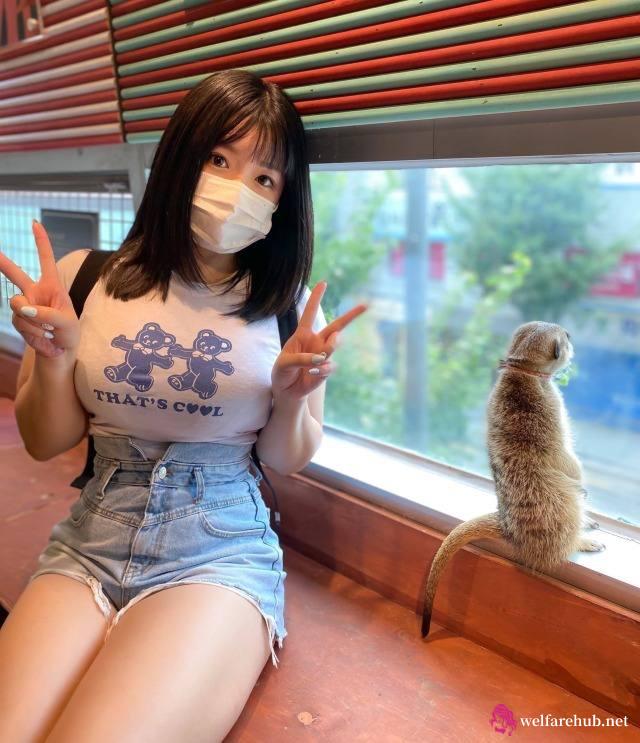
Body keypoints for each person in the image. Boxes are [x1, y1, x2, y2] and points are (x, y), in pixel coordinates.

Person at [0, 68, 367, 742]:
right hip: (92, 535)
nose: (237, 189)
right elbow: (47, 442)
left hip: (217, 547)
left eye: (265, 177)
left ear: (283, 200)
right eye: (219, 159)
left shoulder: (287, 310)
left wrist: (292, 399)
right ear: (179, 158)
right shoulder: (85, 278)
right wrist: (54, 358)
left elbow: (287, 458)